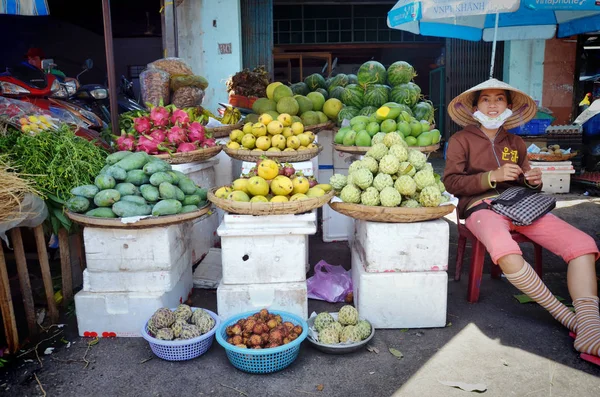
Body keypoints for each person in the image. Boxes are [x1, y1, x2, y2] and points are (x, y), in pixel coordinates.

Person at [443, 78, 600, 358]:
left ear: (509, 106)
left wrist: (534, 180)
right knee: (506, 252)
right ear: (475, 106)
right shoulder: (460, 140)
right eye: (486, 99)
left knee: (583, 245)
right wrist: (490, 177)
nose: (493, 105)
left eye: (500, 99)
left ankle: (589, 323)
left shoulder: (515, 142)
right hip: (481, 207)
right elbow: (452, 183)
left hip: (521, 205)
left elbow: (529, 180)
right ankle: (567, 317)